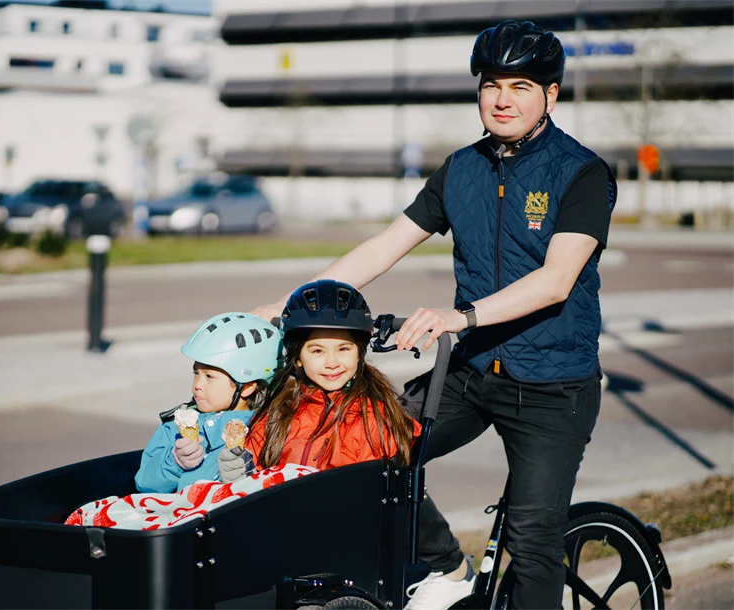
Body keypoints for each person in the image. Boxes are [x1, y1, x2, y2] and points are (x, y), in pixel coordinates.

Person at [251, 20, 616, 610]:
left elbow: (555, 283)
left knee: (531, 539)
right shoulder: (461, 169)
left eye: (521, 87)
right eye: (491, 85)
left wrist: (459, 317)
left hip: (553, 387)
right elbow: (385, 246)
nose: (502, 99)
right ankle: (449, 569)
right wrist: (295, 302)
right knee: (370, 453)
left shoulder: (581, 173)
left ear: (550, 95)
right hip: (468, 373)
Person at [219, 279, 420, 483]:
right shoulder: (277, 414)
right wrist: (240, 474)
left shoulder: (374, 420)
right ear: (298, 357)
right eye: (317, 351)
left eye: (344, 349)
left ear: (359, 353)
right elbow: (255, 479)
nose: (332, 363)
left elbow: (369, 490)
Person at [134, 312, 282, 493]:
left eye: (210, 376)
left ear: (247, 387)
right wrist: (174, 462)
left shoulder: (263, 432)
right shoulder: (174, 428)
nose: (198, 385)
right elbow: (144, 483)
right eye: (196, 373)